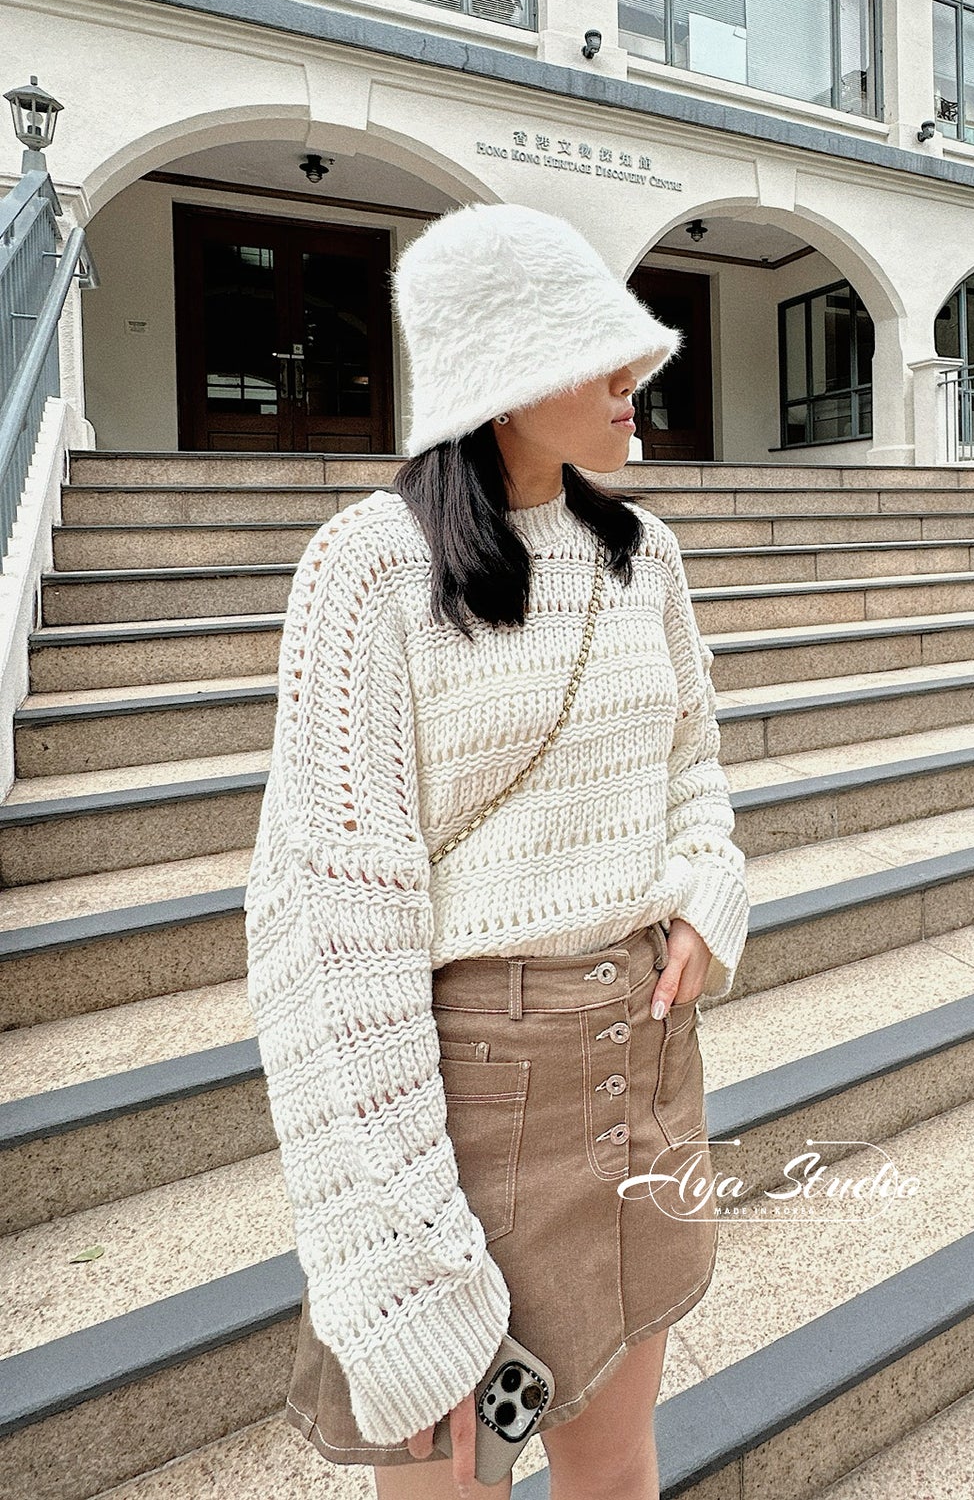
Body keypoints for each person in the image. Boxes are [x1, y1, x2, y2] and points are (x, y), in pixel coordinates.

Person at [244, 200, 751, 1500]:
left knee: (613, 1455)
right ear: (503, 377)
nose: (635, 377)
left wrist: (701, 894)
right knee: (444, 1478)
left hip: (640, 1057)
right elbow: (341, 923)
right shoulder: (367, 571)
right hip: (467, 1091)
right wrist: (407, 1221)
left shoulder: (645, 556)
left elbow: (693, 763)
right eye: (597, 352)